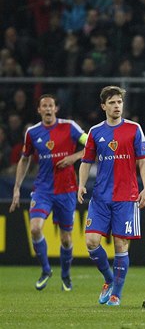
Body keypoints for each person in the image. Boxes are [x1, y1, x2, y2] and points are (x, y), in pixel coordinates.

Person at [78, 86, 145, 306]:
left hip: (126, 198)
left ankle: (116, 294)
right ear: (103, 106)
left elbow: (143, 161)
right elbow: (86, 161)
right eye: (112, 102)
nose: (117, 106)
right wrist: (81, 185)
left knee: (121, 245)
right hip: (100, 197)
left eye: (119, 102)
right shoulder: (95, 132)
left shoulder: (134, 129)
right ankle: (109, 279)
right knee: (91, 241)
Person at [9, 94, 87, 291]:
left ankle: (66, 274)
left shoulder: (69, 127)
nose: (48, 109)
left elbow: (92, 145)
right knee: (35, 228)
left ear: (56, 108)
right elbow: (24, 159)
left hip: (66, 190)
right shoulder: (32, 133)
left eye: (51, 105)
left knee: (66, 238)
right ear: (39, 110)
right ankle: (46, 270)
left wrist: (74, 157)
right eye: (44, 106)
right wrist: (17, 188)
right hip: (43, 189)